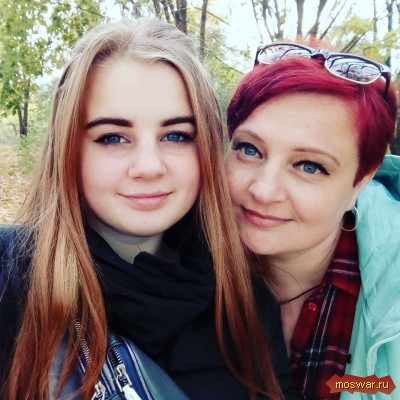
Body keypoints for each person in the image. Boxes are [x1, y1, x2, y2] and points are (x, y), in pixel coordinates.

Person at [0, 19, 296, 400]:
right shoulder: (10, 278)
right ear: (68, 149)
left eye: (176, 135)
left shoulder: (245, 300)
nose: (149, 166)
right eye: (112, 137)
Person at [225, 42, 400, 400]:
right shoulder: (178, 259)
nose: (263, 190)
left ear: (360, 183)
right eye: (249, 149)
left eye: (309, 166)